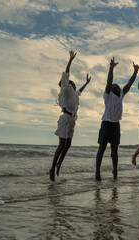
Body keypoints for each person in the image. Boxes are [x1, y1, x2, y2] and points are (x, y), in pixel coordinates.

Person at [96, 57, 139, 181]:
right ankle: (97, 173)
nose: (118, 87)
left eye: (119, 87)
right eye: (116, 86)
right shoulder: (108, 95)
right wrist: (111, 69)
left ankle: (115, 173)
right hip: (106, 124)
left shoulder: (121, 95)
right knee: (101, 149)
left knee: (114, 151)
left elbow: (129, 84)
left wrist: (135, 72)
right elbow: (109, 82)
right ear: (111, 89)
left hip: (115, 126)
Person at [50, 50, 91, 182]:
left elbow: (80, 91)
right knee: (61, 145)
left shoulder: (74, 93)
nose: (74, 85)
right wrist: (70, 60)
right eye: (72, 84)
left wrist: (87, 83)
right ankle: (52, 169)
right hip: (65, 118)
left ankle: (58, 165)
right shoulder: (65, 89)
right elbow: (67, 74)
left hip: (72, 120)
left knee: (68, 145)